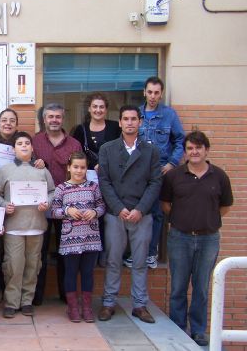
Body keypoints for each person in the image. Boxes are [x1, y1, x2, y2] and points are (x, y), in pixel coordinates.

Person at [160, 131, 233, 346]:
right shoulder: (174, 177)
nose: (194, 152)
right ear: (185, 152)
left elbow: (225, 206)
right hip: (179, 238)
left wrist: (206, 218)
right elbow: (165, 204)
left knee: (202, 287)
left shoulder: (219, 176)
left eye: (198, 148)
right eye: (190, 148)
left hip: (208, 239)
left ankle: (199, 330)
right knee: (178, 287)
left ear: (206, 150)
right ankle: (178, 327)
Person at [97, 105, 161, 324]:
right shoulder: (107, 149)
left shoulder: (151, 151)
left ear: (140, 122)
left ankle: (140, 305)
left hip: (141, 214)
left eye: (134, 119)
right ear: (121, 122)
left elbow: (155, 182)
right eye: (126, 119)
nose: (130, 123)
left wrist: (140, 209)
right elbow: (104, 181)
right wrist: (118, 208)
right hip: (116, 213)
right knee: (113, 260)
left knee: (140, 262)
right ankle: (108, 303)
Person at [0, 131, 55, 318]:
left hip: (36, 224)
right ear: (13, 148)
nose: (23, 146)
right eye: (19, 143)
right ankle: (12, 302)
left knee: (33, 264)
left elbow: (53, 192)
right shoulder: (4, 170)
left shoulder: (42, 170)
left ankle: (27, 300)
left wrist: (48, 202)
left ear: (32, 147)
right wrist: (4, 205)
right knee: (14, 265)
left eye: (27, 143)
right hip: (14, 226)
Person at [129, 76, 185, 269]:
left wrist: (172, 163)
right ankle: (136, 253)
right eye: (150, 92)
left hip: (161, 170)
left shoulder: (169, 115)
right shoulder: (136, 114)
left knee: (157, 213)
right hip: (138, 172)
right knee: (137, 210)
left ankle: (151, 254)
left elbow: (180, 141)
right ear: (144, 92)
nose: (153, 96)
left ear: (161, 94)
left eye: (156, 93)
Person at [32, 103, 82, 305]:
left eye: (58, 117)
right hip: (40, 205)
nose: (54, 120)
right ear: (44, 119)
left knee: (65, 252)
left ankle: (65, 294)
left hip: (67, 205)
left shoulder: (74, 144)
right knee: (39, 252)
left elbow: (80, 173)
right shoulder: (34, 142)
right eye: (50, 116)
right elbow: (22, 166)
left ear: (63, 119)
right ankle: (37, 296)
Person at [50, 152, 106, 323]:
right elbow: (53, 211)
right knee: (71, 273)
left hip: (90, 237)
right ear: (69, 167)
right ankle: (73, 307)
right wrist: (67, 211)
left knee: (88, 273)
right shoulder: (61, 188)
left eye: (82, 167)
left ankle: (87, 308)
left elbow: (102, 206)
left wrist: (95, 212)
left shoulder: (93, 187)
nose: (79, 171)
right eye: (76, 167)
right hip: (70, 239)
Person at [72, 93, 121, 267]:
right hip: (88, 182)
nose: (98, 110)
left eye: (101, 107)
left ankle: (106, 255)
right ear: (89, 109)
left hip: (111, 181)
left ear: (106, 109)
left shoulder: (116, 127)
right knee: (91, 215)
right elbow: (76, 154)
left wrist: (106, 165)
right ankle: (90, 255)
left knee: (109, 217)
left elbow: (121, 152)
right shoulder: (81, 129)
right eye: (95, 106)